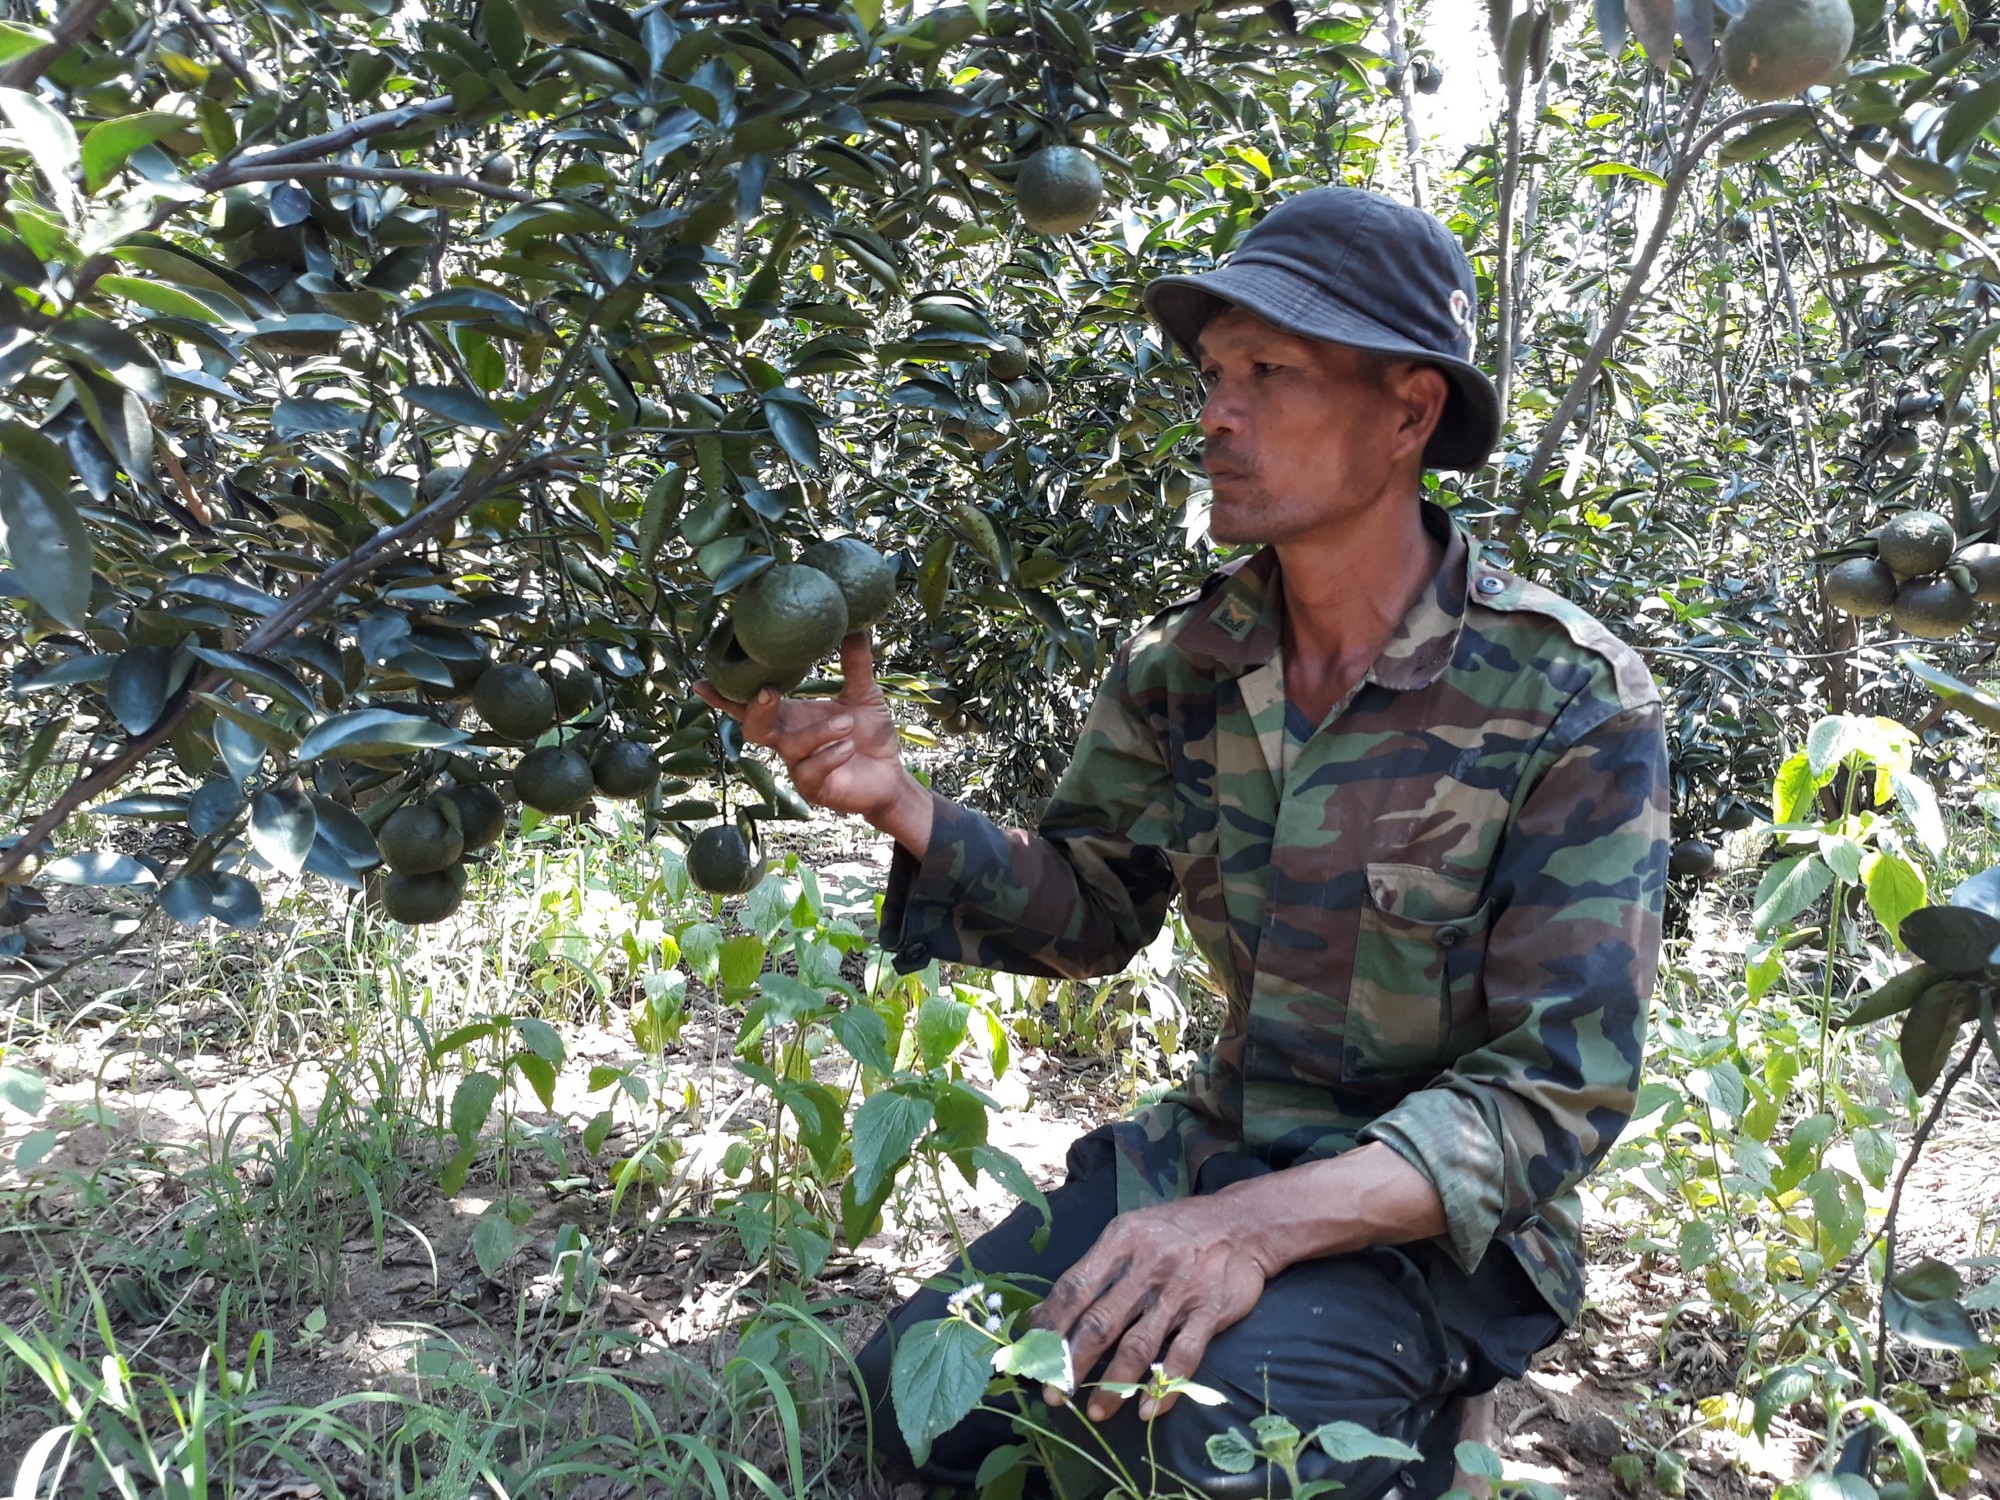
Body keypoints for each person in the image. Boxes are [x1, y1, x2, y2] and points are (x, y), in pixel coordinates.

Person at [695, 186, 1669, 1499]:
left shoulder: (1567, 699)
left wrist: (1246, 1233)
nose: (1216, 413)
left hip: (1424, 1229)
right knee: (914, 1412)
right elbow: (1095, 909)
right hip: (1211, 1153)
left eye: (1271, 372)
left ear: (1409, 412)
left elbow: (1554, 1092)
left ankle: (1437, 1422)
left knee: (1216, 1456)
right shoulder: (1188, 661)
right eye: (1215, 375)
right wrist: (900, 804)